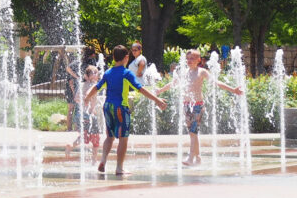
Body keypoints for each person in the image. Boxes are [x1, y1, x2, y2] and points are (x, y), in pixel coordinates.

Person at [85, 45, 167, 176]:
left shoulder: (108, 73)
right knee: (123, 138)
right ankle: (119, 168)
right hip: (120, 108)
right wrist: (156, 100)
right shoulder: (126, 73)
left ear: (113, 57)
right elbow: (140, 88)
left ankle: (103, 161)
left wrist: (87, 98)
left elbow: (97, 87)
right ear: (126, 58)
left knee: (109, 137)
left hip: (107, 107)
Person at [156, 49, 243, 166]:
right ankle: (198, 158)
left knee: (193, 132)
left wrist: (233, 90)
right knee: (192, 133)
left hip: (197, 105)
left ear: (199, 60)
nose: (189, 61)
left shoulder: (201, 72)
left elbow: (216, 82)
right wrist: (159, 91)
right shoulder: (184, 72)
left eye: (192, 58)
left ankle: (190, 158)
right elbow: (173, 84)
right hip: (186, 105)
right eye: (187, 58)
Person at [68, 66, 102, 163]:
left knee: (84, 137)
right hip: (90, 115)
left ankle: (71, 145)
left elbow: (76, 98)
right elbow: (88, 94)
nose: (96, 74)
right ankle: (94, 161)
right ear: (87, 76)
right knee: (95, 139)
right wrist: (89, 104)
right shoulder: (93, 85)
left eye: (96, 72)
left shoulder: (82, 84)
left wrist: (84, 102)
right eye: (93, 73)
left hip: (82, 114)